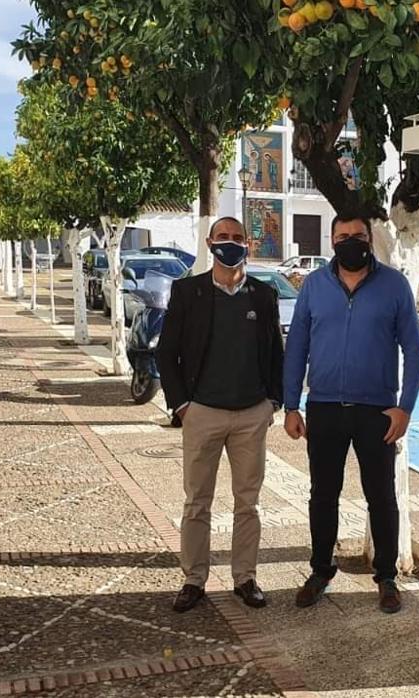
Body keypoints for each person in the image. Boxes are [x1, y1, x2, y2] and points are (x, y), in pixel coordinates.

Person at [283, 214, 419, 613]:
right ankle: (321, 570)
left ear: (370, 239)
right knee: (322, 496)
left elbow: (415, 351)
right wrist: (291, 405)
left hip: (377, 411)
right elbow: (296, 348)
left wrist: (405, 408)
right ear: (332, 241)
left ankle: (386, 577)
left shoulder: (394, 285)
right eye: (342, 236)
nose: (351, 242)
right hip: (324, 408)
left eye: (358, 236)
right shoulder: (314, 286)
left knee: (381, 496)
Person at [155, 217, 284, 613]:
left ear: (248, 244)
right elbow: (166, 352)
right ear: (210, 243)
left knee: (249, 503)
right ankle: (194, 579)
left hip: (250, 416)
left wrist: (272, 403)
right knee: (197, 502)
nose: (230, 243)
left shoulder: (263, 296)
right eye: (223, 237)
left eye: (237, 238)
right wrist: (182, 406)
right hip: (203, 414)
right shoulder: (187, 291)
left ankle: (245, 577)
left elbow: (276, 354)